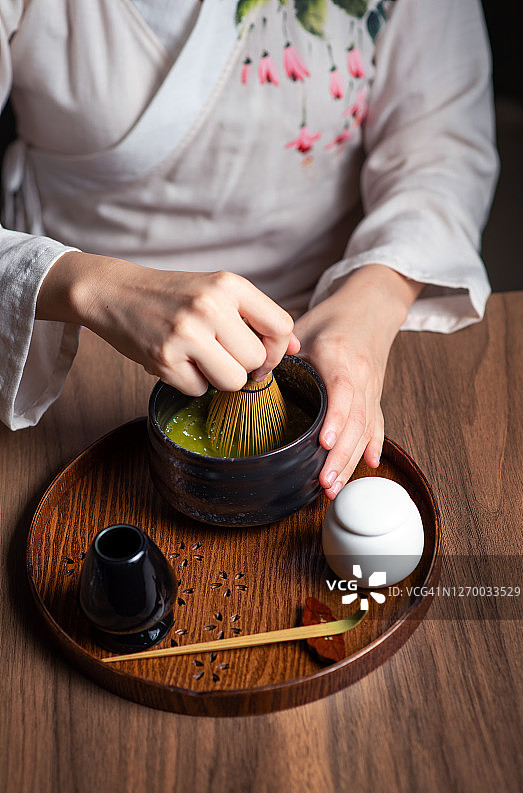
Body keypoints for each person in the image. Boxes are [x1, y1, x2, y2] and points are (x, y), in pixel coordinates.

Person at [0, 0, 497, 499]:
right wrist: (90, 286)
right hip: (80, 334)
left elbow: (440, 148)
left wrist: (372, 301)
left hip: (325, 322)